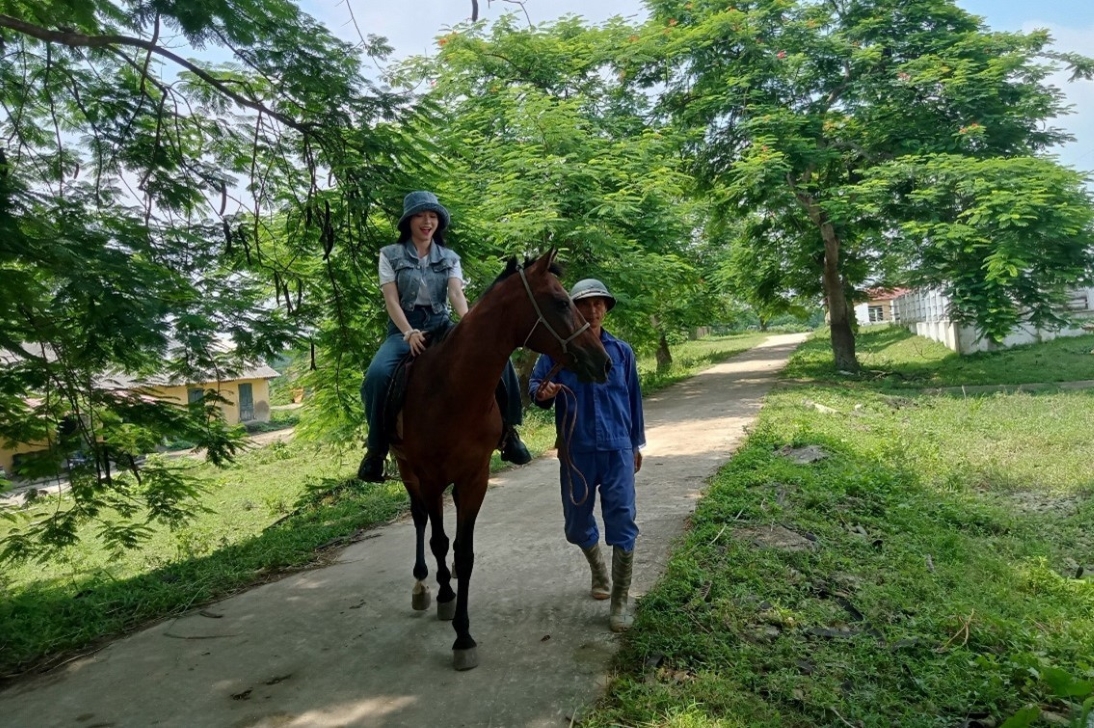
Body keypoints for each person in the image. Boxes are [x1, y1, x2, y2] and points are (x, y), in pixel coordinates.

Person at [357, 190, 531, 482]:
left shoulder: (449, 257)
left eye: (433, 216)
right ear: (408, 221)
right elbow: (391, 300)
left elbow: (456, 294)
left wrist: (473, 326)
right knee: (377, 375)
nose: (427, 222)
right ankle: (376, 451)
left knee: (498, 358)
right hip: (403, 329)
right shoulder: (390, 255)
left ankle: (510, 432)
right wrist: (408, 332)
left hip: (442, 324)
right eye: (420, 215)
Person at [529, 278, 645, 632]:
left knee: (622, 521)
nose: (593, 310)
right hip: (576, 451)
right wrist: (543, 392)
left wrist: (636, 444)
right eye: (585, 304)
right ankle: (598, 569)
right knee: (576, 525)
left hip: (617, 450)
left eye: (599, 303)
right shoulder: (557, 352)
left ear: (606, 308)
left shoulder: (621, 352)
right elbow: (535, 387)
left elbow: (634, 400)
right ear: (574, 309)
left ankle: (620, 601)